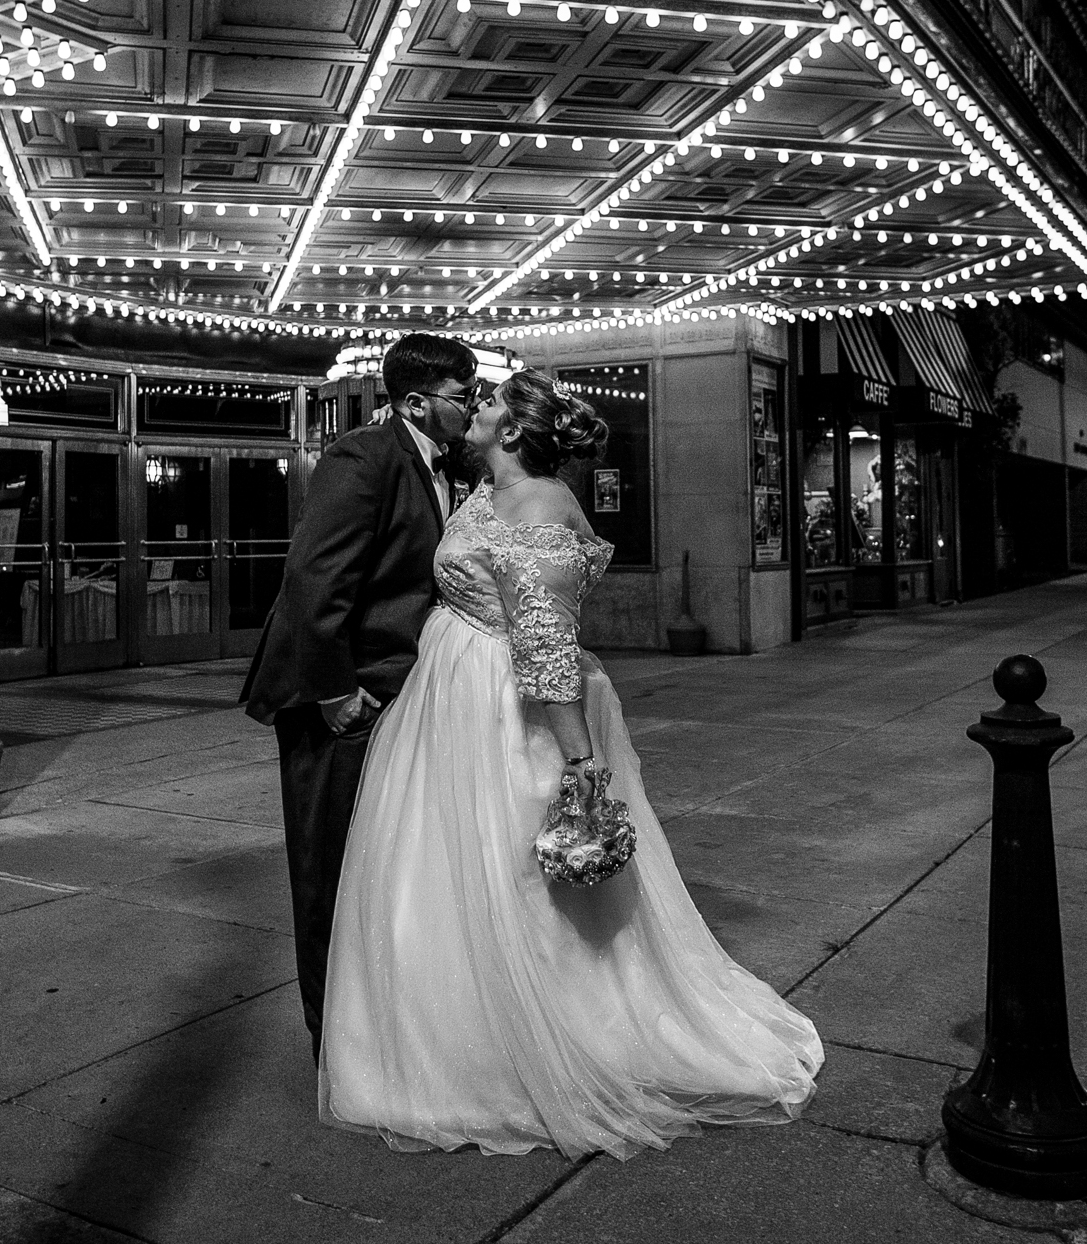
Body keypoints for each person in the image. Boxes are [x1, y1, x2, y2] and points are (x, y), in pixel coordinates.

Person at [321, 368, 822, 1159]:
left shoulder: (544, 508)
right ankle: (447, 1033)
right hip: (447, 698)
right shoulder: (488, 491)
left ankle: (539, 1044)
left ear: (514, 431)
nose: (473, 411)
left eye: (484, 402)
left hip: (502, 708)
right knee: (443, 874)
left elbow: (547, 645)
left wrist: (580, 762)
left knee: (517, 874)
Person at [240, 331, 480, 1063]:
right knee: (329, 873)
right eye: (461, 395)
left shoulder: (447, 464)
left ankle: (380, 1026)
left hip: (395, 697)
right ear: (415, 400)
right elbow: (315, 581)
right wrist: (334, 693)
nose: (471, 407)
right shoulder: (362, 457)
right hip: (340, 701)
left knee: (380, 873)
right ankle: (335, 1045)